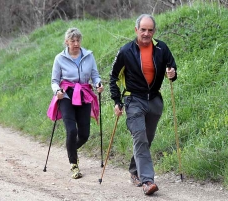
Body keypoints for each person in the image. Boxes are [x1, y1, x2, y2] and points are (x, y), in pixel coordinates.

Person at [109, 14, 177, 195]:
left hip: (154, 100)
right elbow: (113, 77)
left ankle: (134, 170)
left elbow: (172, 67)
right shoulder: (126, 51)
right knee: (140, 138)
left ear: (154, 31)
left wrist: (172, 73)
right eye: (143, 30)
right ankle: (147, 181)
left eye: (150, 30)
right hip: (134, 101)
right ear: (136, 30)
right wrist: (117, 101)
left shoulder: (161, 48)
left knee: (147, 139)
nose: (146, 33)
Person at [47, 27, 104, 179]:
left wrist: (98, 84)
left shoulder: (88, 56)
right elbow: (54, 80)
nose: (76, 43)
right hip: (66, 95)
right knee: (71, 131)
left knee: (84, 135)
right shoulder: (60, 58)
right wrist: (57, 91)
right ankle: (73, 164)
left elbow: (95, 75)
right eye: (72, 40)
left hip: (84, 94)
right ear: (67, 42)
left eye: (78, 40)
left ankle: (71, 148)